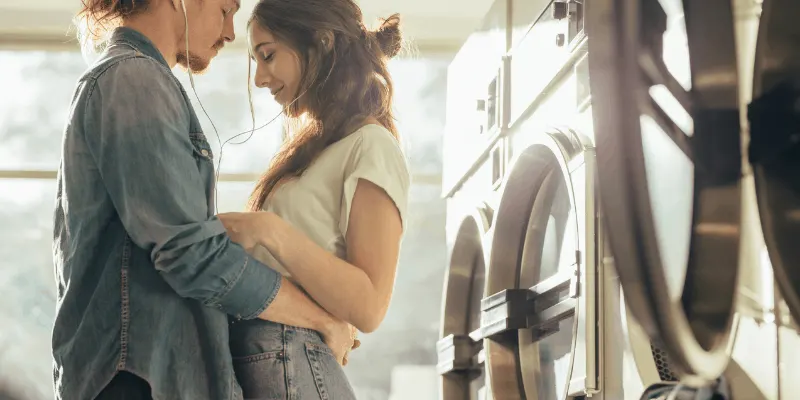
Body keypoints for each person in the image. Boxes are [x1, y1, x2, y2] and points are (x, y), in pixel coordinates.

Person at [53, 0, 355, 399]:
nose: (230, 32)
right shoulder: (134, 79)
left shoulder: (134, 79)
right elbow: (191, 254)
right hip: (137, 381)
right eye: (226, 9)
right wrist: (322, 319)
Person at [216, 0, 411, 398]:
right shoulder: (315, 151)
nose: (259, 79)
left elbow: (369, 304)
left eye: (267, 55)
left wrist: (269, 230)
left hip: (292, 359)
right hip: (275, 359)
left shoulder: (371, 145)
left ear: (320, 43)